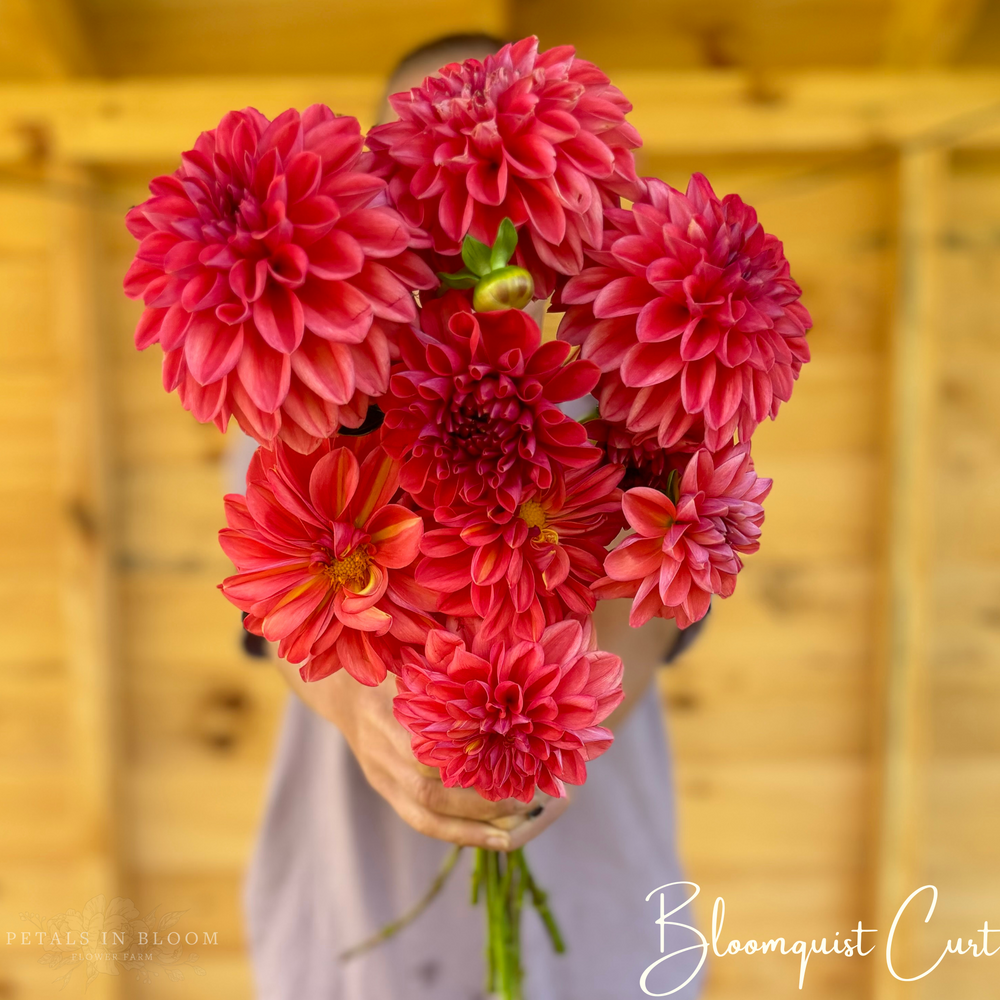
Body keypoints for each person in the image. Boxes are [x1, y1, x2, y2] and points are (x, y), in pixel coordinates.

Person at [242, 34, 707, 1000]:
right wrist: (366, 713)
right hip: (360, 894)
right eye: (410, 150)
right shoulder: (306, 373)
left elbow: (673, 591)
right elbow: (269, 599)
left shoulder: (624, 364)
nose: (452, 174)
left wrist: (547, 726)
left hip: (593, 867)